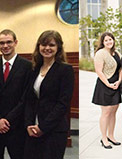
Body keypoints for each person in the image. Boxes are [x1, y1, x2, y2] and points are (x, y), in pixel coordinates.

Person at [22, 30, 74, 159]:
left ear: (58, 48)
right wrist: (28, 124)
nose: (47, 48)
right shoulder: (34, 68)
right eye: (43, 45)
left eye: (51, 45)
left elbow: (63, 104)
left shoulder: (65, 70)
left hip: (54, 129)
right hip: (33, 128)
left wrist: (43, 127)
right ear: (38, 46)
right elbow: (29, 100)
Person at [0, 29, 33, 159]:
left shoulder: (27, 66)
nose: (5, 46)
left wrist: (8, 120)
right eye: (2, 43)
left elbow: (26, 97)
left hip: (17, 126)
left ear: (15, 42)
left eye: (9, 42)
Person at [91, 32, 122, 149]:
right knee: (106, 112)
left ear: (113, 40)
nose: (109, 42)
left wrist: (119, 81)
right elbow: (98, 71)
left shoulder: (117, 53)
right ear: (103, 42)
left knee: (113, 112)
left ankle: (111, 136)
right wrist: (108, 84)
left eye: (111, 39)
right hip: (105, 84)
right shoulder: (100, 53)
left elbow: (121, 69)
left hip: (116, 84)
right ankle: (104, 138)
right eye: (106, 40)